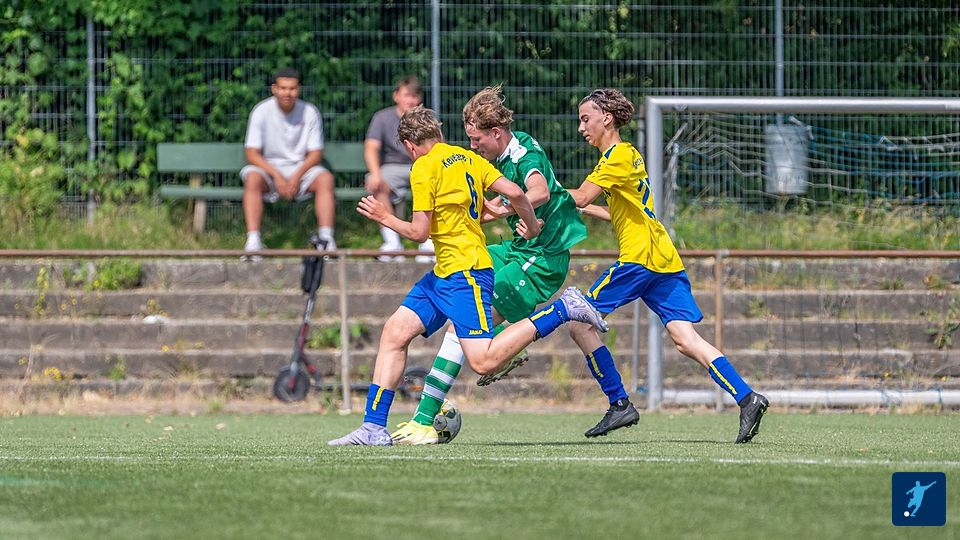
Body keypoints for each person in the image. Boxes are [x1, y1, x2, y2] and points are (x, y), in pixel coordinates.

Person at [327, 106, 607, 446]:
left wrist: (384, 217)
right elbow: (516, 193)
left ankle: (563, 309)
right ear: (439, 135)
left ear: (409, 146)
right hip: (444, 274)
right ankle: (373, 427)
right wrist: (531, 225)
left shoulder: (423, 167)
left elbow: (418, 232)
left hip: (466, 274)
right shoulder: (467, 159)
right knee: (395, 332)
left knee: (483, 361)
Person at [391, 85, 632, 445]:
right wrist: (493, 210)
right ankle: (491, 351)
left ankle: (425, 418)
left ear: (495, 133)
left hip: (542, 257)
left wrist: (513, 212)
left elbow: (539, 191)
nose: (473, 146)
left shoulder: (522, 155)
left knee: (464, 331)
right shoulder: (505, 152)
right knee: (463, 274)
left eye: (477, 140)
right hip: (519, 249)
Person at [565, 88, 769, 443]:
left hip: (639, 259)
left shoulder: (616, 156)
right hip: (662, 257)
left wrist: (538, 192)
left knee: (579, 324)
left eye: (586, 119)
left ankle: (619, 403)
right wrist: (580, 206)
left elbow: (581, 195)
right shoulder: (626, 155)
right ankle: (747, 398)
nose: (581, 128)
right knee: (686, 340)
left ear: (606, 118)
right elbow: (616, 211)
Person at [240, 67, 336, 259]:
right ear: (274, 89)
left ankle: (326, 241)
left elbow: (316, 154)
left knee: (325, 179)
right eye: (283, 88)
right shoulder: (261, 111)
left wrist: (295, 177)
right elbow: (251, 153)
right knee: (252, 178)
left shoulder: (310, 111)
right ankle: (253, 243)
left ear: (298, 89)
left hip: (301, 169)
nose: (287, 93)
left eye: (292, 88)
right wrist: (277, 175)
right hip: (268, 169)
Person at [364, 75, 433, 262]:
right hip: (392, 168)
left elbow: (437, 146)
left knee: (436, 184)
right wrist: (375, 174)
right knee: (375, 181)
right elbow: (371, 147)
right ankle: (392, 243)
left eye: (414, 96)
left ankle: (430, 241)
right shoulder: (381, 118)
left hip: (423, 165)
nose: (410, 100)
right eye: (406, 95)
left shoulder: (427, 119)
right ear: (396, 96)